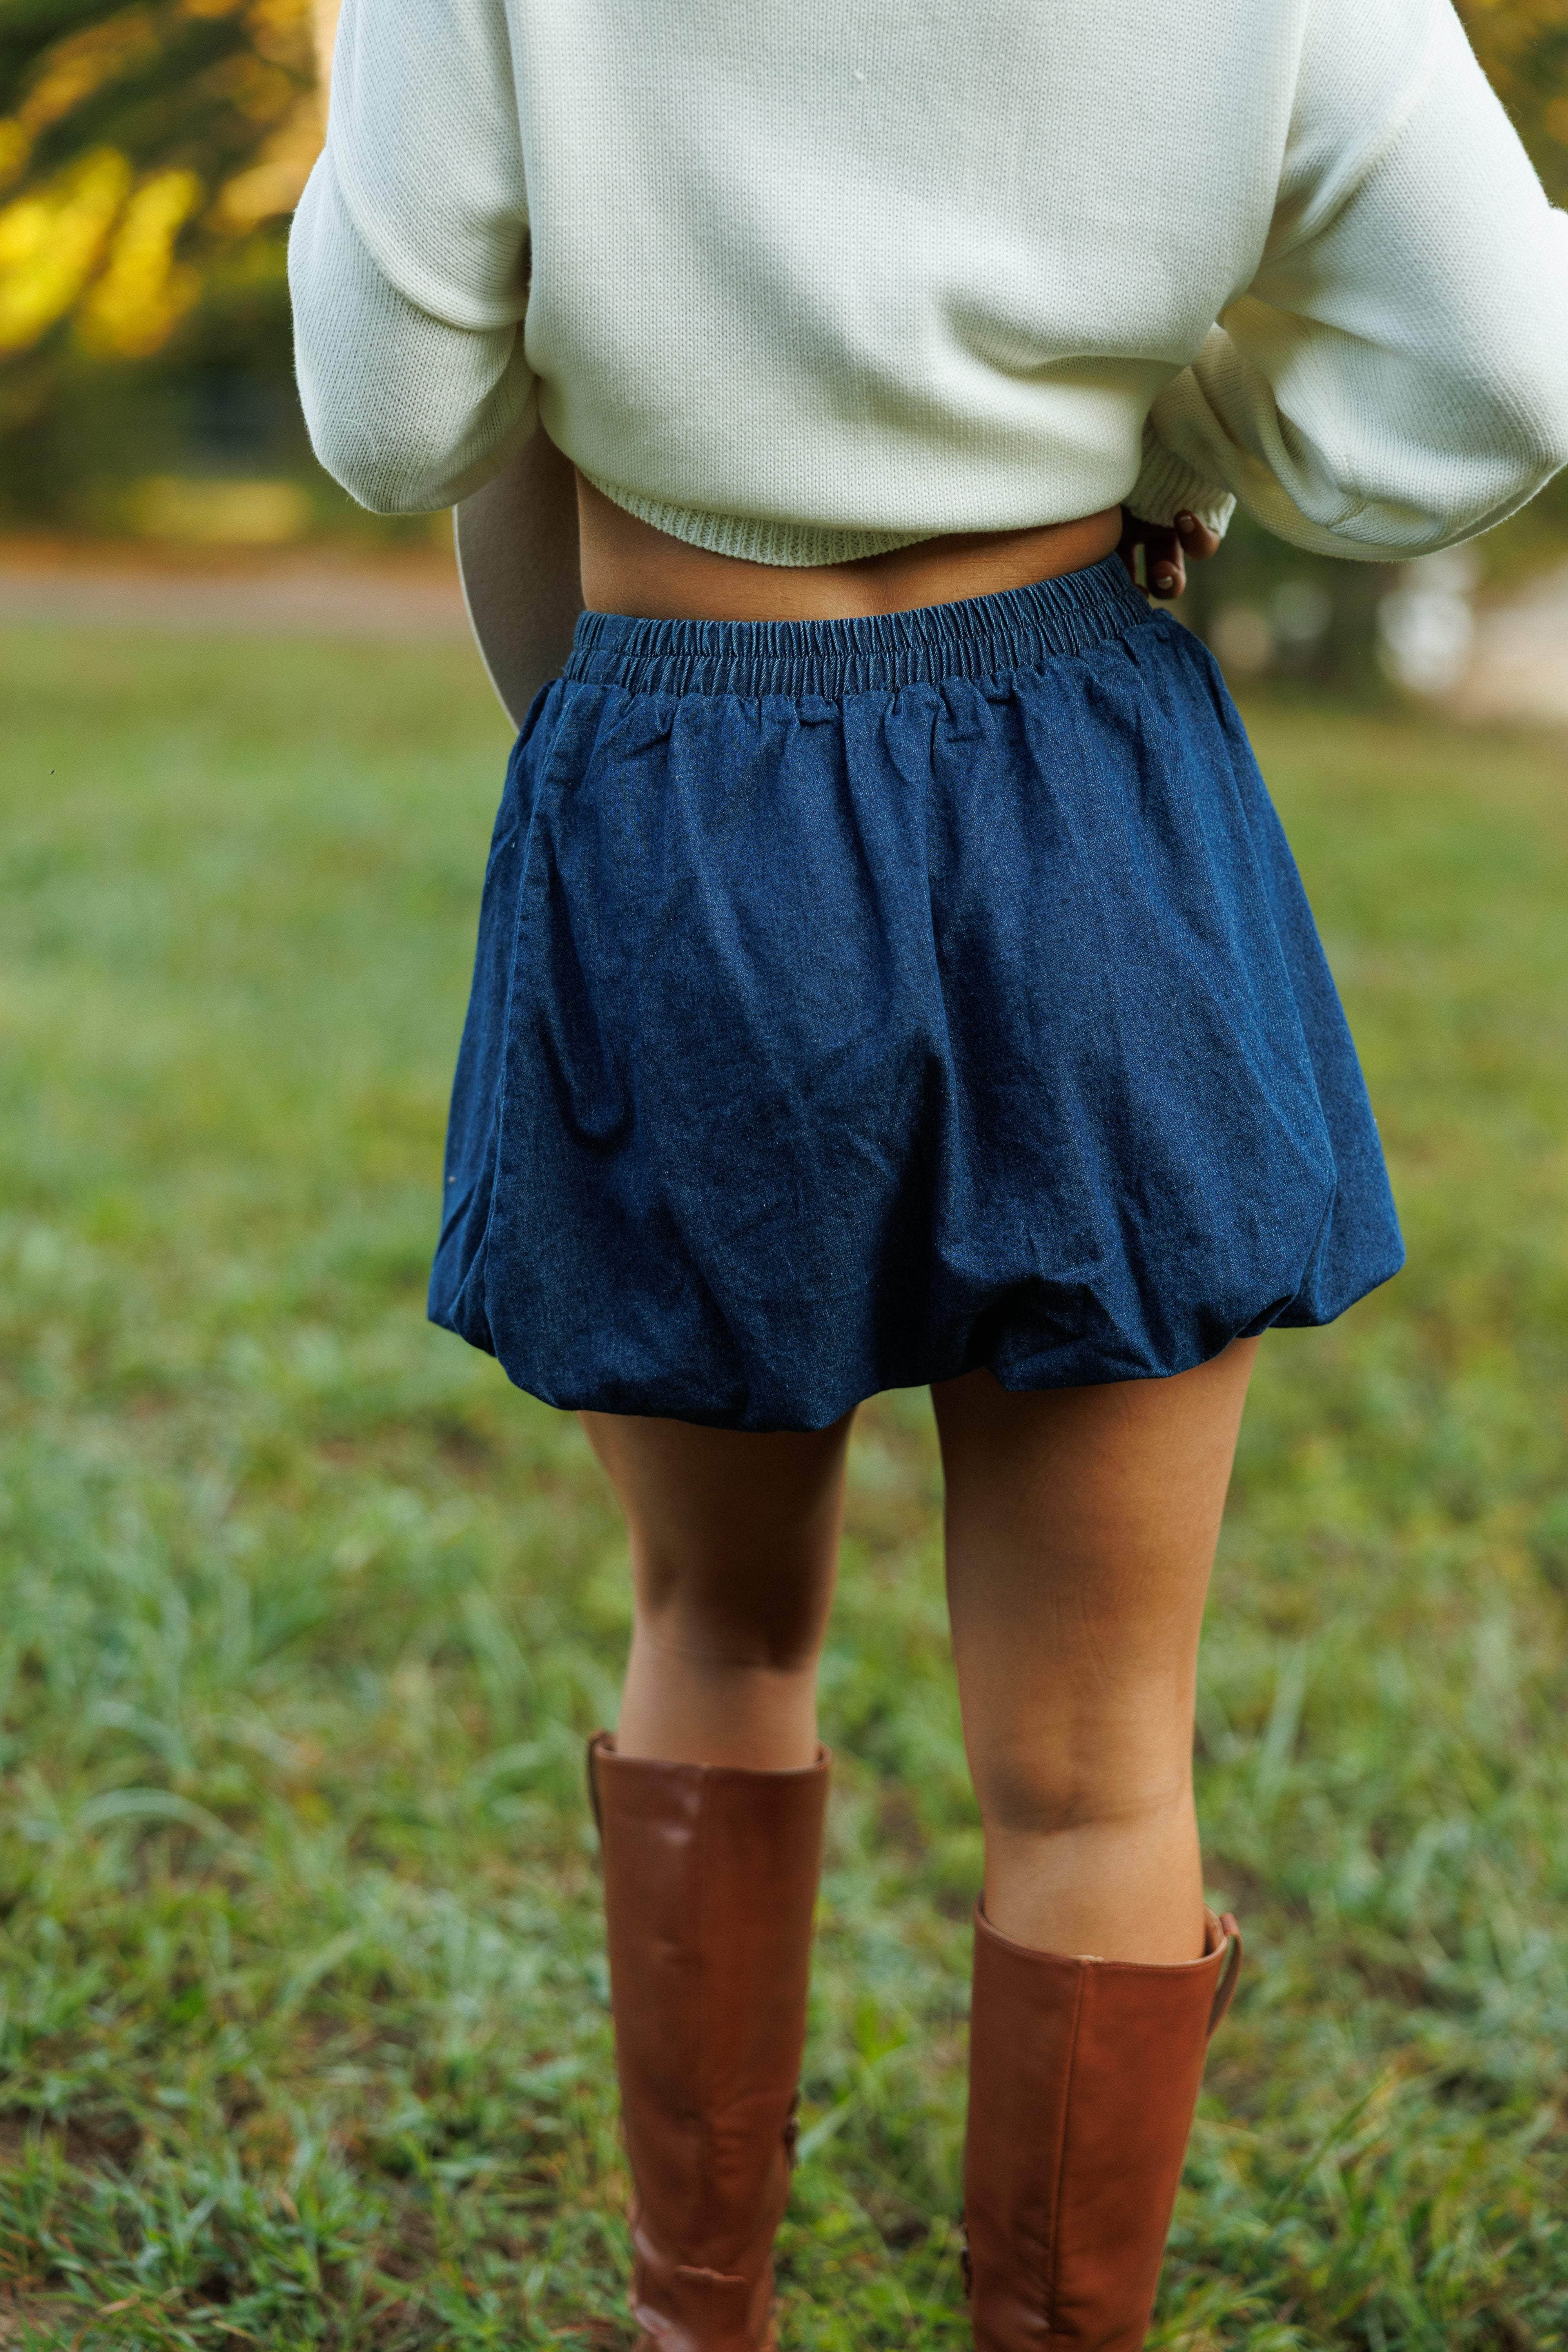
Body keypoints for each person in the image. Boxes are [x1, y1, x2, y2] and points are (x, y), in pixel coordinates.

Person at [287, 0, 1568, 2338]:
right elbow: (1500, 360)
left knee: (718, 1632)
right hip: (1089, 791)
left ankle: (704, 2319)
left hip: (685, 801)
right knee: (1095, 1766)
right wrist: (1179, 422)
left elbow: (390, 408)